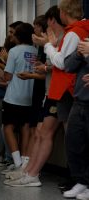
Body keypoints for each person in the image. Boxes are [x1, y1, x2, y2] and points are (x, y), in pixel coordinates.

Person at [32, 0, 89, 194]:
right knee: (73, 137)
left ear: (64, 13)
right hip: (73, 89)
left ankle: (77, 178)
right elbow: (70, 60)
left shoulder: (74, 32)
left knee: (74, 137)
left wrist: (48, 46)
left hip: (68, 89)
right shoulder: (77, 30)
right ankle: (78, 179)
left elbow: (62, 63)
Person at [4, 6, 65, 187]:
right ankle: (28, 170)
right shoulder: (39, 48)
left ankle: (28, 171)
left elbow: (60, 64)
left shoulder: (59, 41)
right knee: (35, 131)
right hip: (42, 94)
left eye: (40, 27)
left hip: (51, 94)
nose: (37, 31)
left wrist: (41, 67)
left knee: (36, 132)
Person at [1, 23, 37, 174]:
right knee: (25, 129)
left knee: (8, 127)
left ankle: (17, 163)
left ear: (18, 36)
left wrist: (3, 61)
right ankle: (24, 165)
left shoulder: (14, 51)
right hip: (29, 97)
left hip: (13, 97)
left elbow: (7, 76)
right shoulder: (36, 51)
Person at [63, 36, 89, 200]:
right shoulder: (85, 41)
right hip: (79, 101)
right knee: (73, 142)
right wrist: (79, 54)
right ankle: (81, 181)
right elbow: (68, 67)